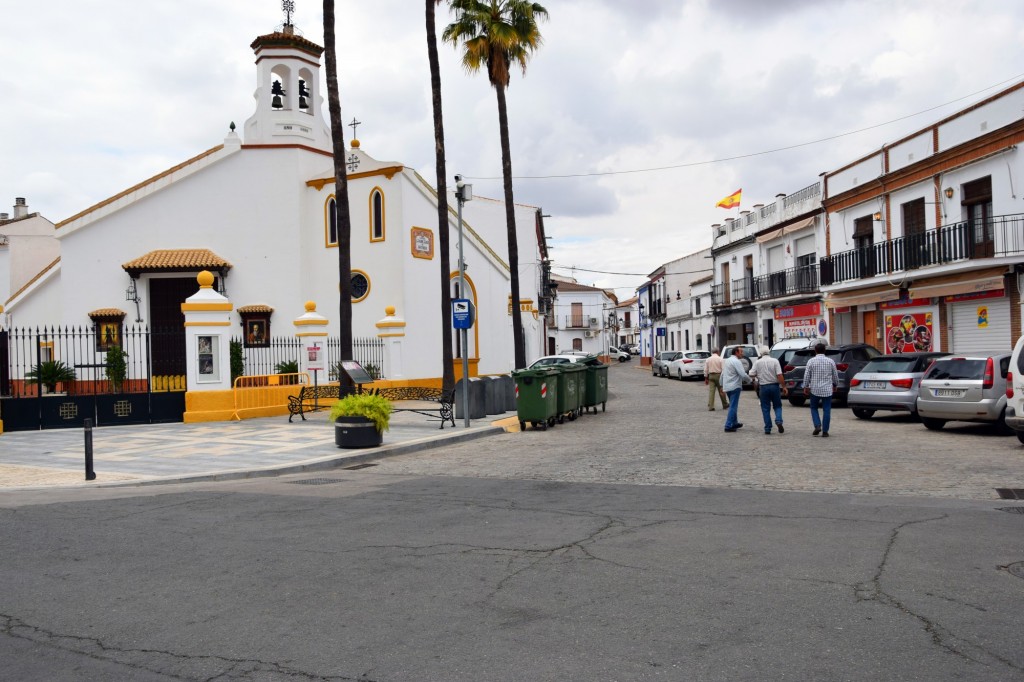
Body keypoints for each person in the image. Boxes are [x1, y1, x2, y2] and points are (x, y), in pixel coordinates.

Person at [803, 342, 840, 437]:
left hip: (815, 389)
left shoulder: (811, 361)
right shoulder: (830, 361)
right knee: (827, 410)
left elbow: (807, 375)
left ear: (815, 351)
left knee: (813, 408)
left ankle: (817, 425)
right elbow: (835, 375)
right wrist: (835, 384)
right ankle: (825, 431)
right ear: (825, 350)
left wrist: (806, 386)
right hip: (827, 389)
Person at [749, 346, 787, 435]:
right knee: (777, 405)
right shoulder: (775, 361)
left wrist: (757, 375)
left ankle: (768, 428)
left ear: (761, 353)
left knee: (765, 408)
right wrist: (784, 387)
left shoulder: (757, 362)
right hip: (774, 386)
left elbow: (751, 373)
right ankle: (778, 420)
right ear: (769, 352)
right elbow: (779, 375)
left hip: (763, 387)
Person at [721, 346, 751, 432]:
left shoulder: (727, 361)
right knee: (733, 406)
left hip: (728, 386)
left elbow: (723, 374)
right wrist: (750, 380)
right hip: (734, 386)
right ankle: (728, 424)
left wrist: (721, 384)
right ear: (736, 352)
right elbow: (742, 374)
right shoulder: (736, 362)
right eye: (741, 352)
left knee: (732, 404)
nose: (743, 354)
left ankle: (734, 422)